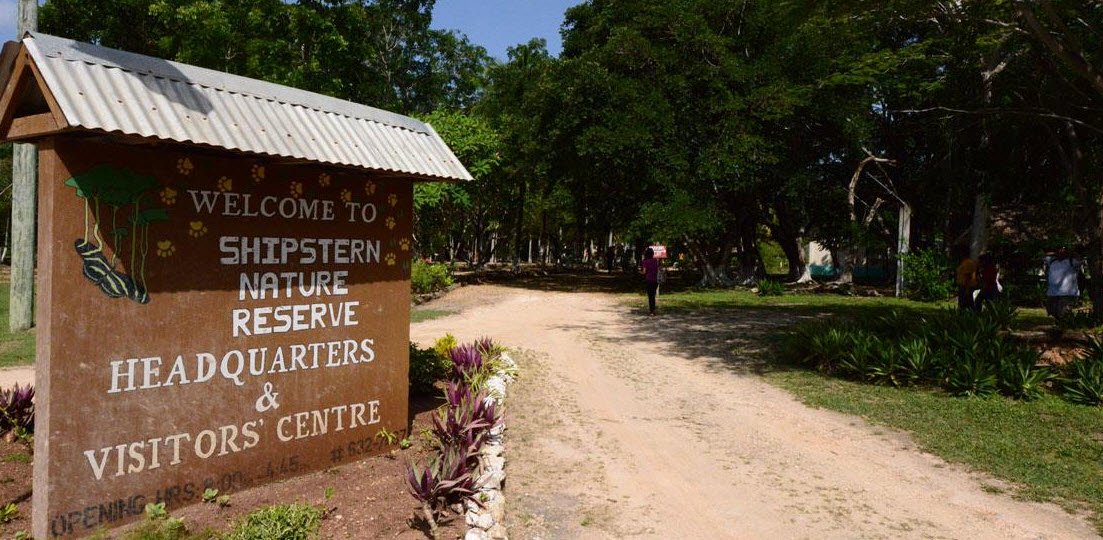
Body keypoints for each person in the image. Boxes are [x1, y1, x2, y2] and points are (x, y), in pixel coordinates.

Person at [1045, 247, 1081, 320]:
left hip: (1067, 293)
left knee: (1063, 313)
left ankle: (1064, 326)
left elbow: (1079, 259)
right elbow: (1044, 255)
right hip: (1052, 293)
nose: (1061, 251)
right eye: (1060, 249)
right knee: (1052, 312)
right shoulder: (1052, 261)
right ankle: (1059, 325)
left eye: (1064, 250)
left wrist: (1070, 253)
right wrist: (1055, 253)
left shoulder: (1072, 261)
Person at [640, 247, 660, 316]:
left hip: (649, 280)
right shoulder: (655, 261)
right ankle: (653, 310)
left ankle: (651, 311)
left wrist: (641, 273)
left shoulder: (645, 261)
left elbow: (644, 271)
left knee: (650, 296)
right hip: (655, 280)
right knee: (653, 295)